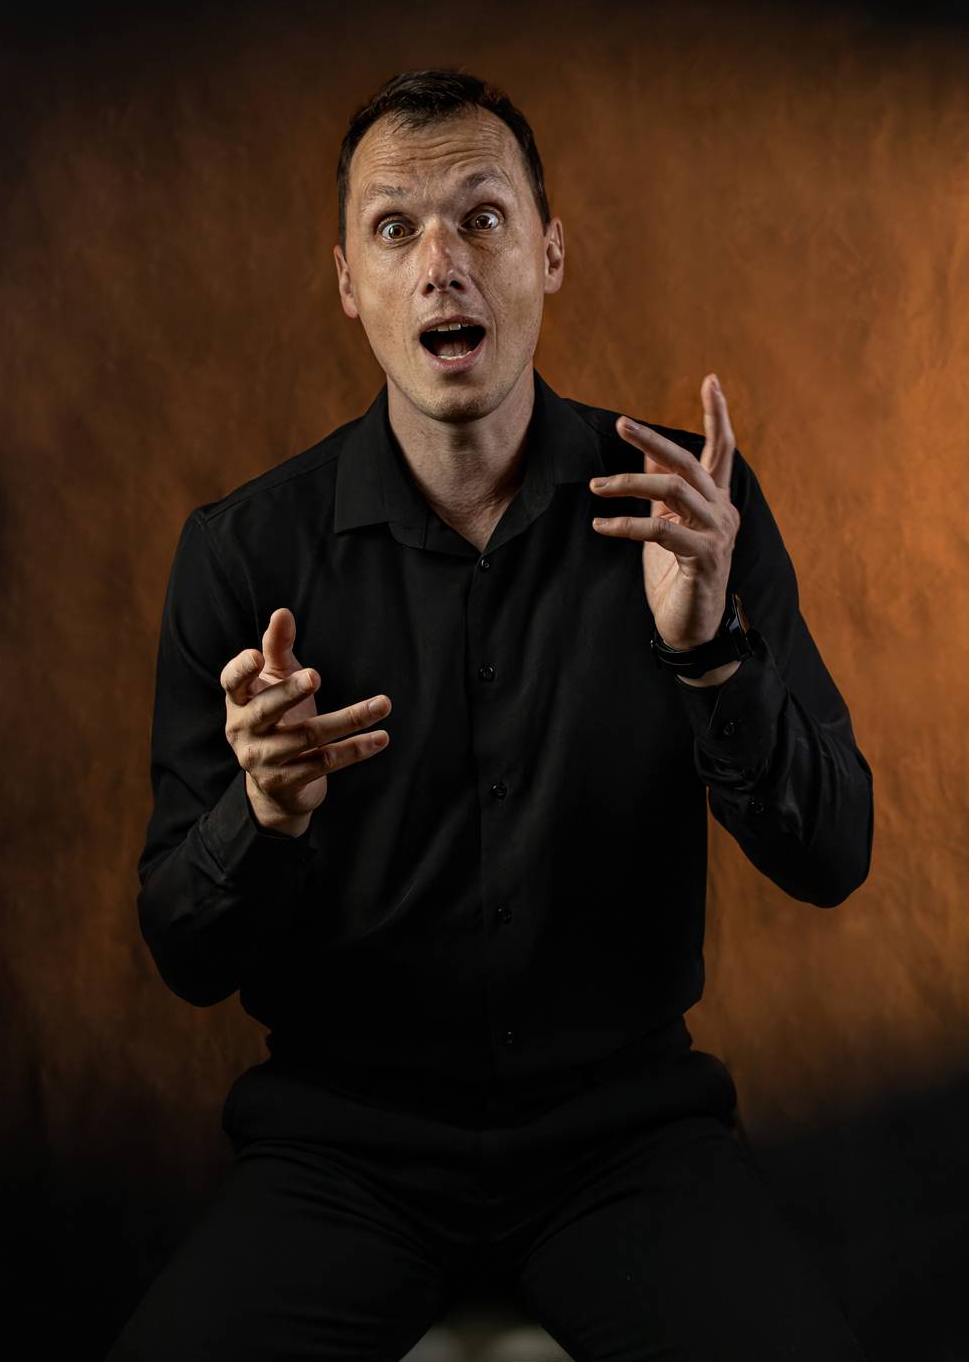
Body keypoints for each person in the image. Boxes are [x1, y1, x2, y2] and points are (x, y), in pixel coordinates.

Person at [106, 68, 874, 1361]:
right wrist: (261, 815)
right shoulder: (241, 555)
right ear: (347, 280)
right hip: (342, 1155)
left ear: (550, 252)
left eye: (483, 217)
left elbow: (835, 854)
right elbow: (185, 953)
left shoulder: (688, 514)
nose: (441, 264)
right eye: (393, 227)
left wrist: (711, 659)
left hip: (626, 1143)